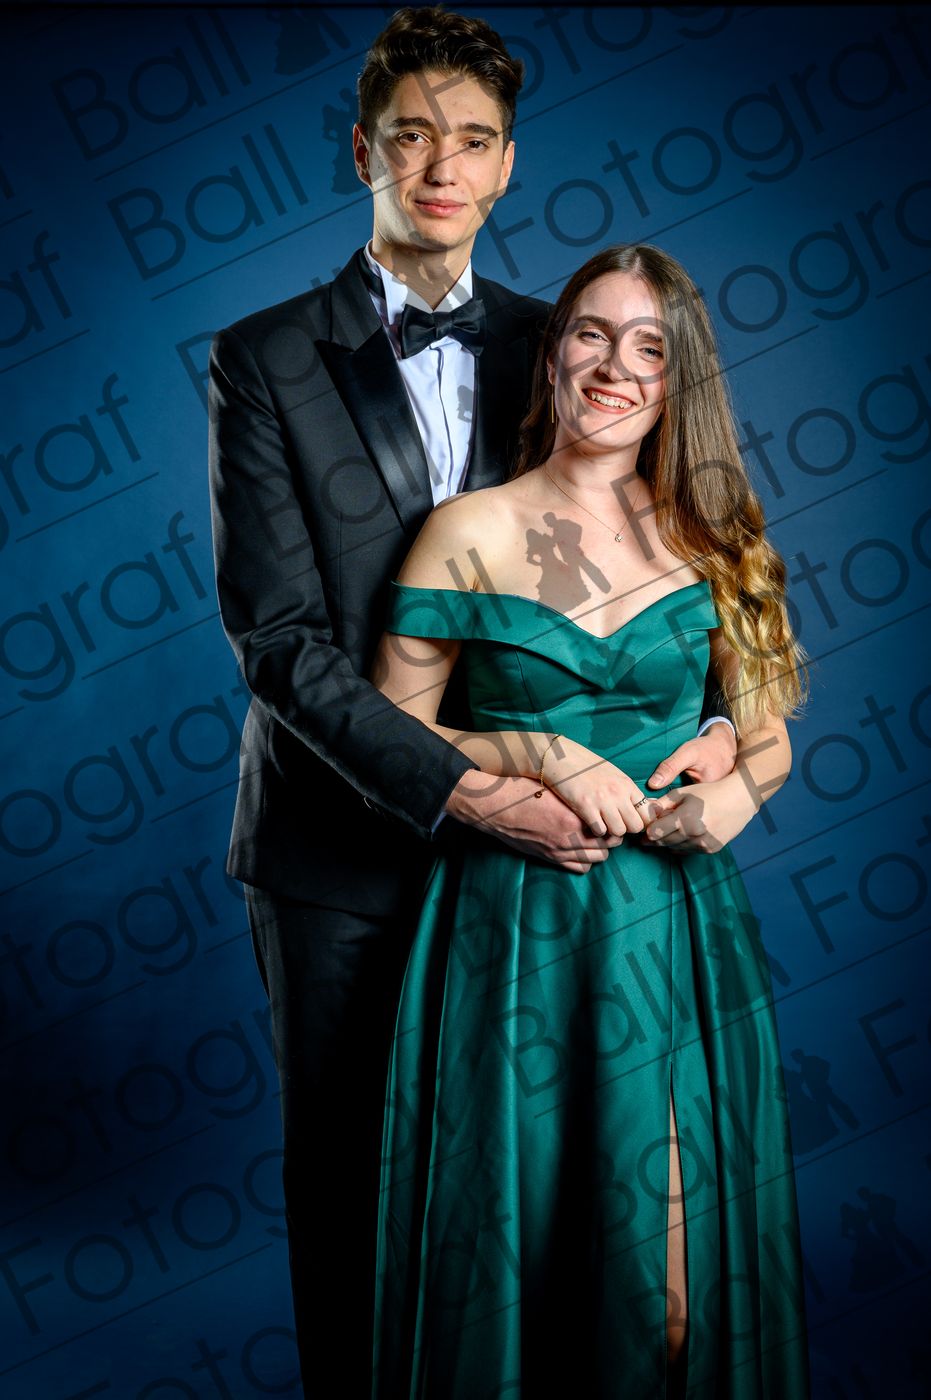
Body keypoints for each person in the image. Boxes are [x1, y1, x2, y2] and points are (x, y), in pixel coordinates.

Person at [207, 9, 737, 1396]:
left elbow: (661, 557)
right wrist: (474, 786)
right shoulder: (263, 358)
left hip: (548, 876)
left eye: (474, 139)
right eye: (411, 135)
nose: (440, 165)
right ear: (362, 151)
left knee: (544, 1195)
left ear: (507, 163)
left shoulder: (559, 340)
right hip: (337, 850)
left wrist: (729, 734)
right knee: (356, 1189)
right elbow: (279, 640)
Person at [370, 243, 811, 1399]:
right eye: (591, 335)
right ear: (553, 354)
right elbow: (388, 735)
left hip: (670, 927)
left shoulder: (719, 538)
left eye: (649, 347)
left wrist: (729, 789)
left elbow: (768, 738)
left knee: (670, 1300)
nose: (615, 366)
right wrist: (538, 748)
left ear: (679, 379)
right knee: (524, 1270)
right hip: (508, 926)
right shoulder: (463, 530)